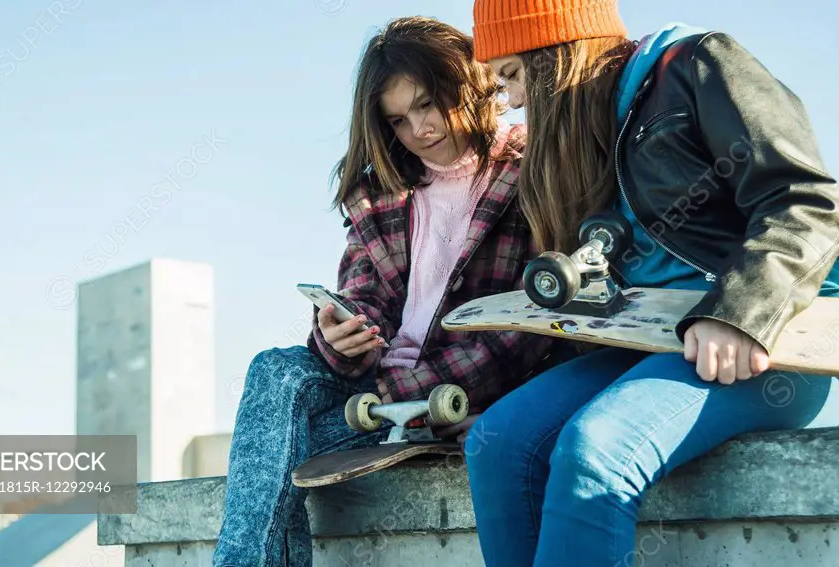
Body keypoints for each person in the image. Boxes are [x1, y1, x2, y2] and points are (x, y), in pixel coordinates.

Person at [462, 1, 839, 565]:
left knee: (596, 450)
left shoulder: (696, 63)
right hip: (660, 332)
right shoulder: (588, 134)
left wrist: (738, 313)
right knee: (500, 445)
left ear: (554, 53)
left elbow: (806, 203)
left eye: (513, 75)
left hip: (790, 329)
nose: (512, 101)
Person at [212, 15, 576, 567]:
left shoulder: (533, 168)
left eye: (428, 103)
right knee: (274, 368)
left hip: (449, 397)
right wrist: (340, 335)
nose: (420, 129)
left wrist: (394, 388)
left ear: (471, 81)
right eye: (399, 120)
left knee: (273, 452)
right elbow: (364, 298)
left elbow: (519, 330)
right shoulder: (381, 192)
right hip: (376, 391)